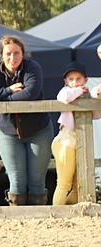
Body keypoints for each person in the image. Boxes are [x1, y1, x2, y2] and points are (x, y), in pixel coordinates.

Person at [0, 35, 55, 205]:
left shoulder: (32, 68)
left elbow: (29, 94)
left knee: (37, 181)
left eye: (17, 53)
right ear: (1, 55)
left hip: (38, 130)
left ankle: (38, 222)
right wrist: (7, 91)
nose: (13, 58)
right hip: (7, 132)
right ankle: (19, 224)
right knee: (16, 181)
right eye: (8, 53)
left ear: (23, 53)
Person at [51, 60, 101, 205]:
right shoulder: (66, 91)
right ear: (66, 81)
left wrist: (96, 93)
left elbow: (97, 113)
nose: (75, 82)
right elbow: (64, 98)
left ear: (86, 79)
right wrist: (81, 90)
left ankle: (67, 214)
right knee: (64, 184)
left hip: (78, 143)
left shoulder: (86, 94)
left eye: (78, 79)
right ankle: (56, 216)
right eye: (71, 79)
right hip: (65, 143)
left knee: (78, 186)